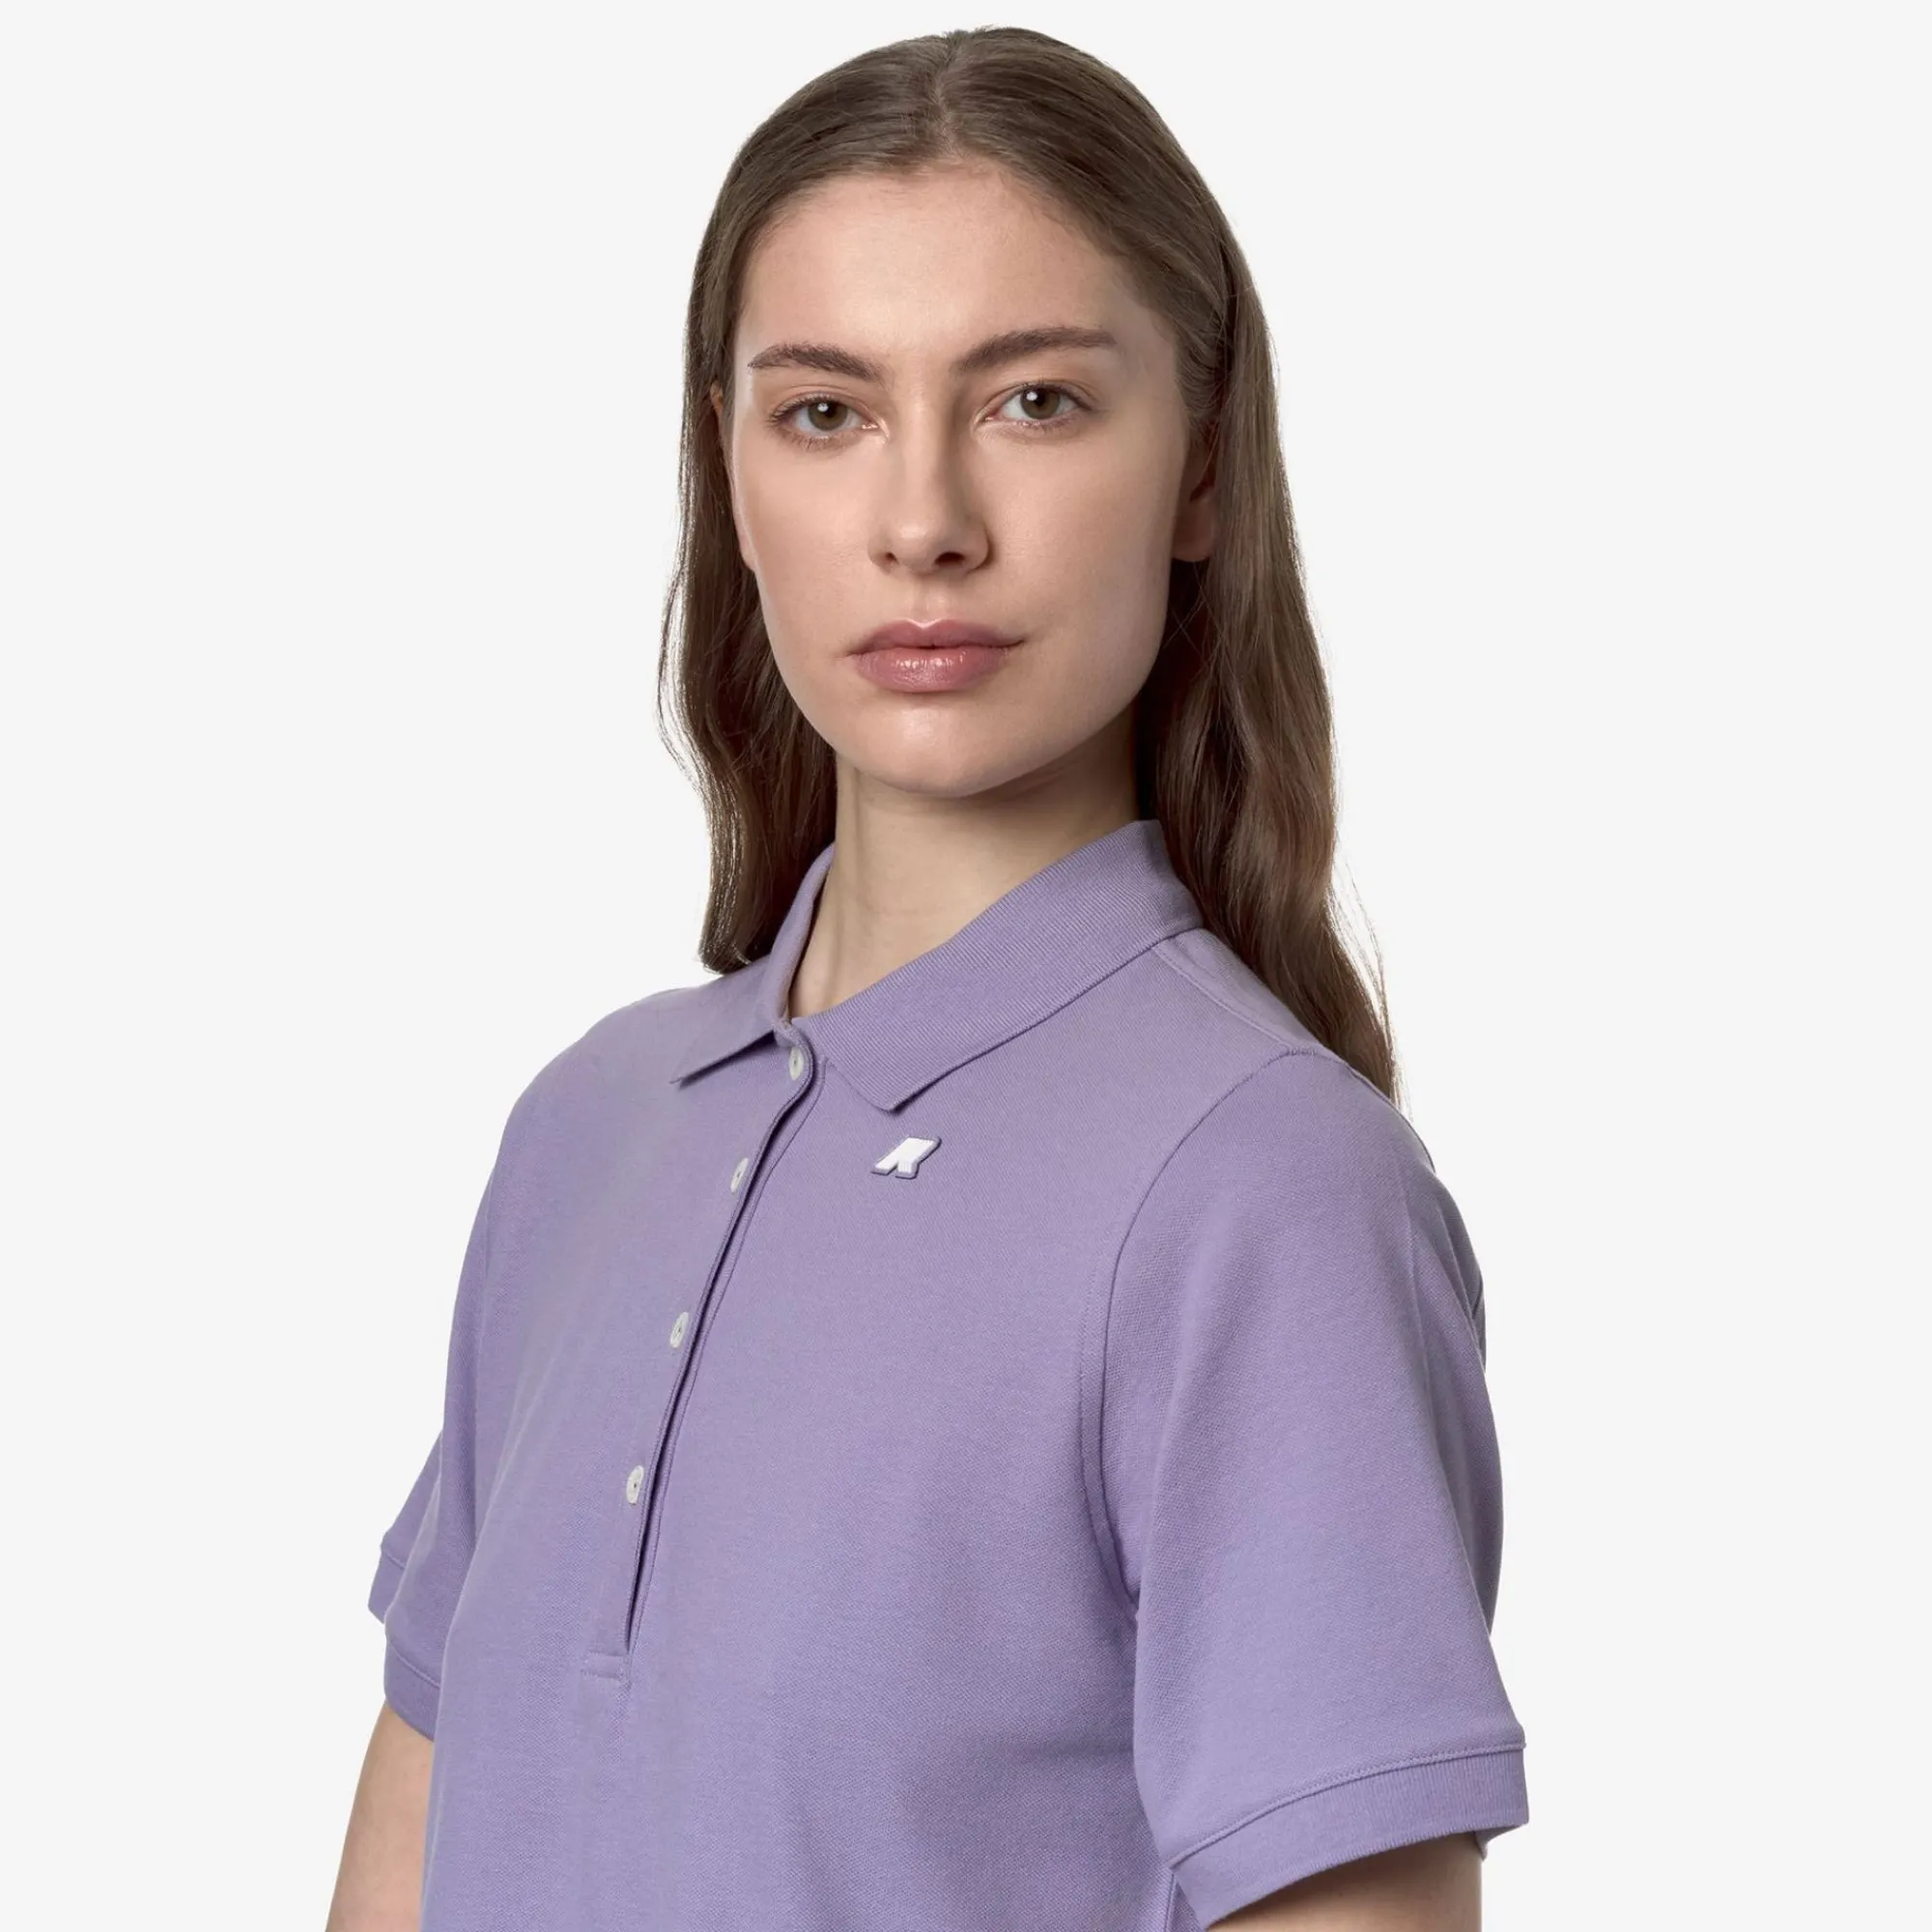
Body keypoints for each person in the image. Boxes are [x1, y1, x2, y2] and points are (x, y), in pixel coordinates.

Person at [326, 26, 1529, 1931]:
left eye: (1035, 401)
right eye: (825, 412)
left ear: (1202, 470)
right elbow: (421, 1818)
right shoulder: (591, 1126)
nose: (922, 523)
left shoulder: (1264, 1190)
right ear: (728, 468)